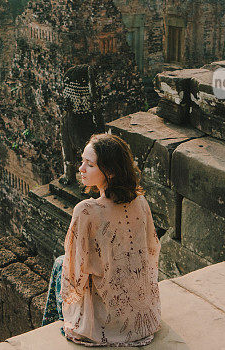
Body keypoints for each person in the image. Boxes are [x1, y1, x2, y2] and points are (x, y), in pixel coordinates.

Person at [42, 133, 161, 346]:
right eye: (82, 162)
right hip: (143, 317)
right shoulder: (141, 202)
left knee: (60, 264)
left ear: (111, 171)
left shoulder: (86, 211)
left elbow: (76, 272)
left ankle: (49, 329)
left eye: (89, 164)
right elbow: (151, 251)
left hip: (109, 321)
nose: (81, 169)